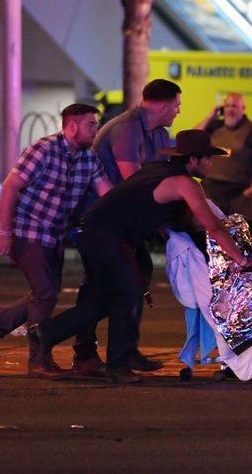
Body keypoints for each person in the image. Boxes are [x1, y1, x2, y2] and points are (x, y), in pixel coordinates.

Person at [28, 130, 252, 384]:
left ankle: (48, 333)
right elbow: (213, 226)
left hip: (93, 232)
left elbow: (145, 207)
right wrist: (243, 260)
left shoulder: (157, 170)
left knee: (108, 300)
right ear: (194, 159)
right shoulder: (185, 183)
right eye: (208, 159)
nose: (211, 165)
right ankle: (118, 366)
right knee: (128, 295)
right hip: (106, 235)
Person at [72, 78, 183, 377]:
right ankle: (84, 352)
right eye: (177, 106)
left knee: (134, 279)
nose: (178, 112)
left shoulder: (159, 134)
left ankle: (122, 351)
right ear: (163, 105)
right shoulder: (126, 128)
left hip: (126, 222)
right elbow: (134, 177)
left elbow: (159, 174)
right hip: (102, 221)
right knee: (104, 286)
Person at [0, 104, 113, 378]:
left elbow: (106, 193)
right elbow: (11, 186)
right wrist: (4, 232)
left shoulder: (88, 158)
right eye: (90, 124)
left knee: (43, 294)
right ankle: (38, 360)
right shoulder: (43, 149)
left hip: (55, 236)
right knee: (46, 292)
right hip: (28, 231)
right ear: (72, 126)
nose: (96, 130)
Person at [196, 92, 252, 229]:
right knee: (208, 232)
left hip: (238, 195)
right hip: (211, 191)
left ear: (243, 108)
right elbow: (193, 137)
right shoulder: (214, 126)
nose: (230, 109)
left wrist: (251, 190)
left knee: (241, 235)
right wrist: (210, 117)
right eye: (227, 106)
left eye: (235, 106)